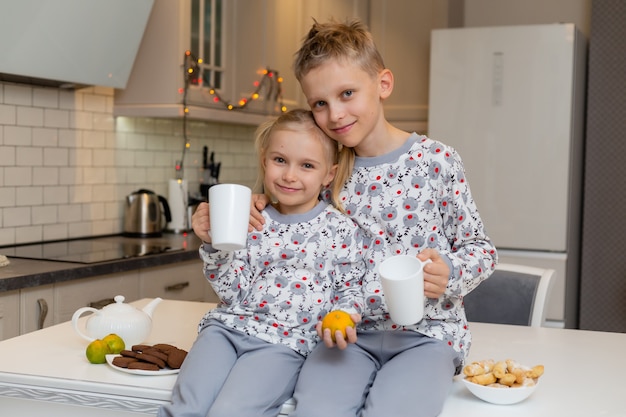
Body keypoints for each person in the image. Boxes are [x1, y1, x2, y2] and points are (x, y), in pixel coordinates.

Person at [249, 19, 498, 417]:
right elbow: (287, 224)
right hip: (346, 336)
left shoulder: (436, 161)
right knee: (314, 410)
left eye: (347, 93)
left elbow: (481, 249)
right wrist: (259, 203)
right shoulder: (323, 171)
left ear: (383, 84)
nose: (335, 114)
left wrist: (451, 270)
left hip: (427, 336)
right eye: (320, 103)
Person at [158, 109, 366, 417]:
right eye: (280, 160)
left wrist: (344, 315)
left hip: (284, 344)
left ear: (329, 174)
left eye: (307, 165)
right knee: (185, 407)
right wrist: (214, 244)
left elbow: (350, 288)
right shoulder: (249, 218)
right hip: (224, 331)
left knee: (231, 412)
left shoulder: (340, 229)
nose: (289, 175)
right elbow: (231, 294)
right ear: (264, 160)